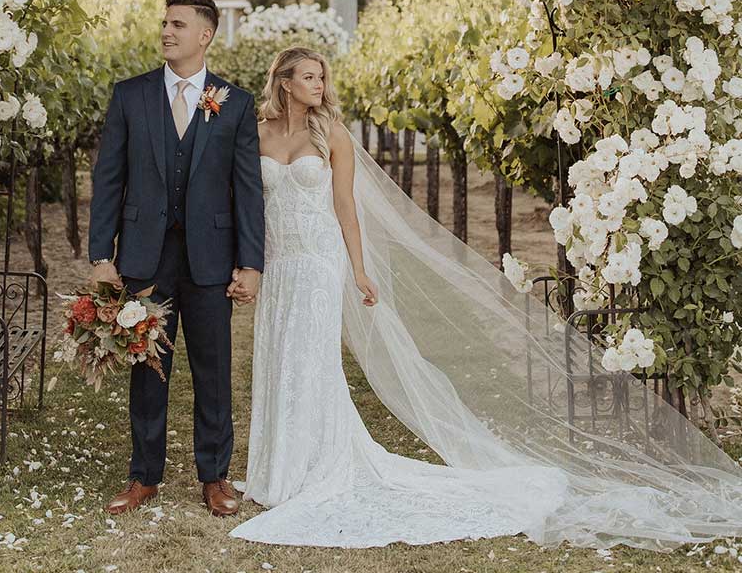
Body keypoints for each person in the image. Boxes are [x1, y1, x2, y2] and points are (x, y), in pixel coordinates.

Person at [229, 46, 742, 551]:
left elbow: (345, 206)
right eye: (310, 78)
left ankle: (312, 466)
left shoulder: (332, 134)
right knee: (277, 354)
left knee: (311, 359)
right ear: (285, 82)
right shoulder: (256, 136)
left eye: (322, 77)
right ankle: (277, 470)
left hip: (319, 261)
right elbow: (248, 205)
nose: (320, 86)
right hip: (279, 260)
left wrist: (359, 269)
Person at [87, 0, 265, 518]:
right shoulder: (130, 96)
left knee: (213, 370)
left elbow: (247, 191)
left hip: (211, 259)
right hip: (145, 258)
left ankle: (215, 476)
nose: (167, 32)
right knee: (149, 370)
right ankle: (144, 476)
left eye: (178, 25)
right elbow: (108, 181)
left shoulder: (235, 102)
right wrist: (103, 256)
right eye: (164, 23)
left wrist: (250, 264)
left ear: (205, 35)